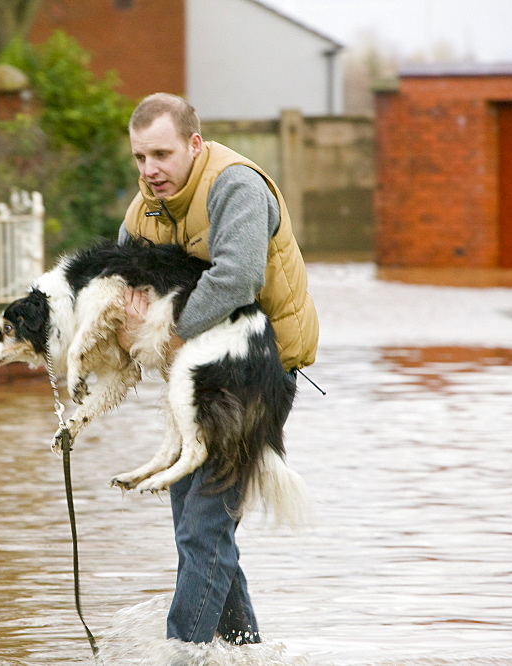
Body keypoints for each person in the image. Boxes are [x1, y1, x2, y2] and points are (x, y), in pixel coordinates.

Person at [117, 93, 319, 645]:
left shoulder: (235, 185)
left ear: (194, 144)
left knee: (203, 528)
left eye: (161, 153)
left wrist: (167, 328)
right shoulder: (143, 209)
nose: (149, 170)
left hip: (258, 375)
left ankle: (181, 655)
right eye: (139, 158)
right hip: (196, 378)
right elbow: (123, 285)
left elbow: (238, 277)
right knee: (198, 530)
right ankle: (241, 654)